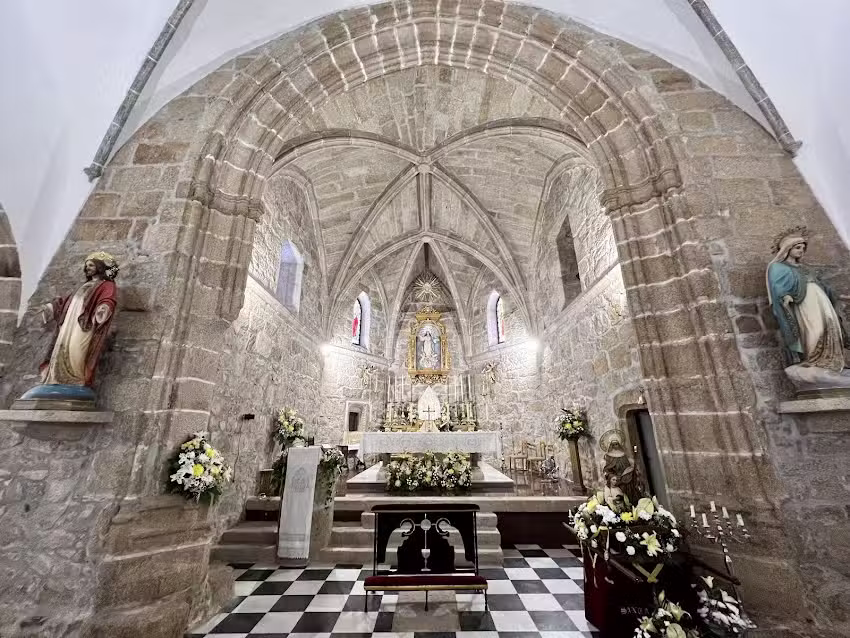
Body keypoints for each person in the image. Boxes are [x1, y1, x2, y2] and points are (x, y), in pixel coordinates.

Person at [766, 227, 849, 370]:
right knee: (814, 329)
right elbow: (777, 286)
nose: (801, 251)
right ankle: (814, 358)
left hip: (820, 300)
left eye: (803, 248)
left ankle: (831, 359)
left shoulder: (804, 267)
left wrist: (831, 293)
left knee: (829, 324)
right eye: (798, 247)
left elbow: (819, 283)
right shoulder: (777, 267)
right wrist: (785, 295)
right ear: (787, 249)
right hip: (804, 302)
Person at [40, 252, 119, 387]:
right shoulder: (84, 285)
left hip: (85, 324)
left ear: (99, 267)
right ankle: (55, 379)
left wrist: (103, 308)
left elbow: (108, 300)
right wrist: (50, 307)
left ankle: (75, 379)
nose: (87, 268)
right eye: (86, 265)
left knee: (76, 348)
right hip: (69, 323)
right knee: (62, 347)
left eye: (91, 265)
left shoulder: (107, 285)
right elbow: (66, 301)